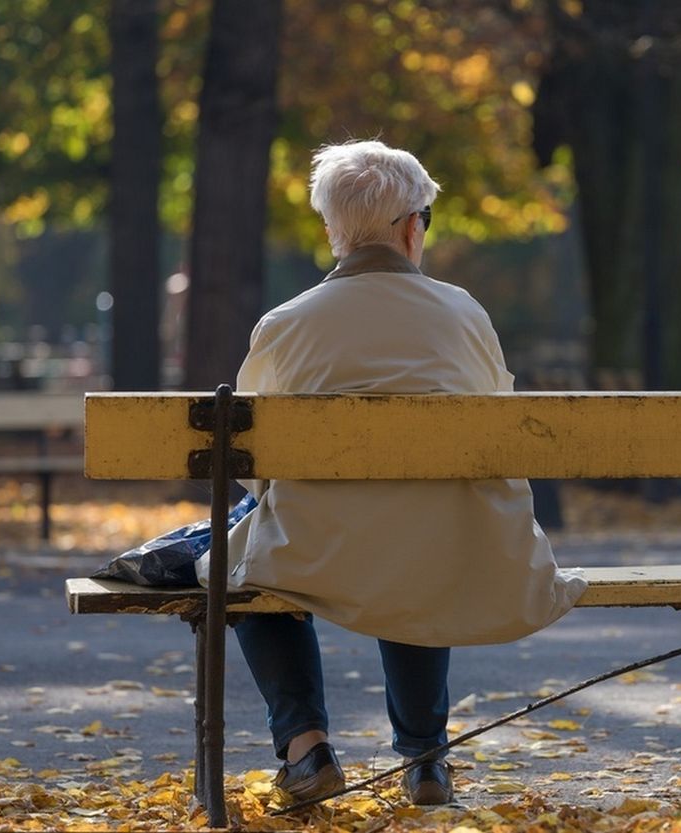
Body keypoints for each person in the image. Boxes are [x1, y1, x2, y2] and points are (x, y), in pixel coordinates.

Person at [197, 140, 587, 805]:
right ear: (413, 227)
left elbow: (255, 470)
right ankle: (426, 755)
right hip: (449, 546)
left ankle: (305, 745)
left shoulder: (285, 325)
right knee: (417, 533)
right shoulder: (465, 314)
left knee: (235, 561)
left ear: (333, 232)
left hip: (319, 549)